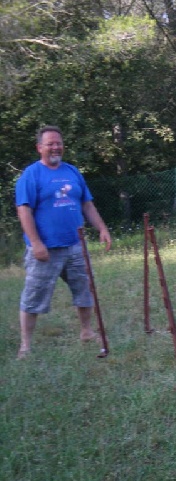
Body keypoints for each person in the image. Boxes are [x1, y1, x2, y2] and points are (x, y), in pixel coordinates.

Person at [15, 125, 112, 359]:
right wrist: (36, 243)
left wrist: (102, 228)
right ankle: (26, 345)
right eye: (50, 143)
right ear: (40, 148)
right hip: (46, 249)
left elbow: (87, 204)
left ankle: (87, 332)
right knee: (33, 296)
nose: (55, 147)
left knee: (85, 289)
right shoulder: (31, 175)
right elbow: (24, 210)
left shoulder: (72, 171)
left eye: (58, 142)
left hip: (75, 245)